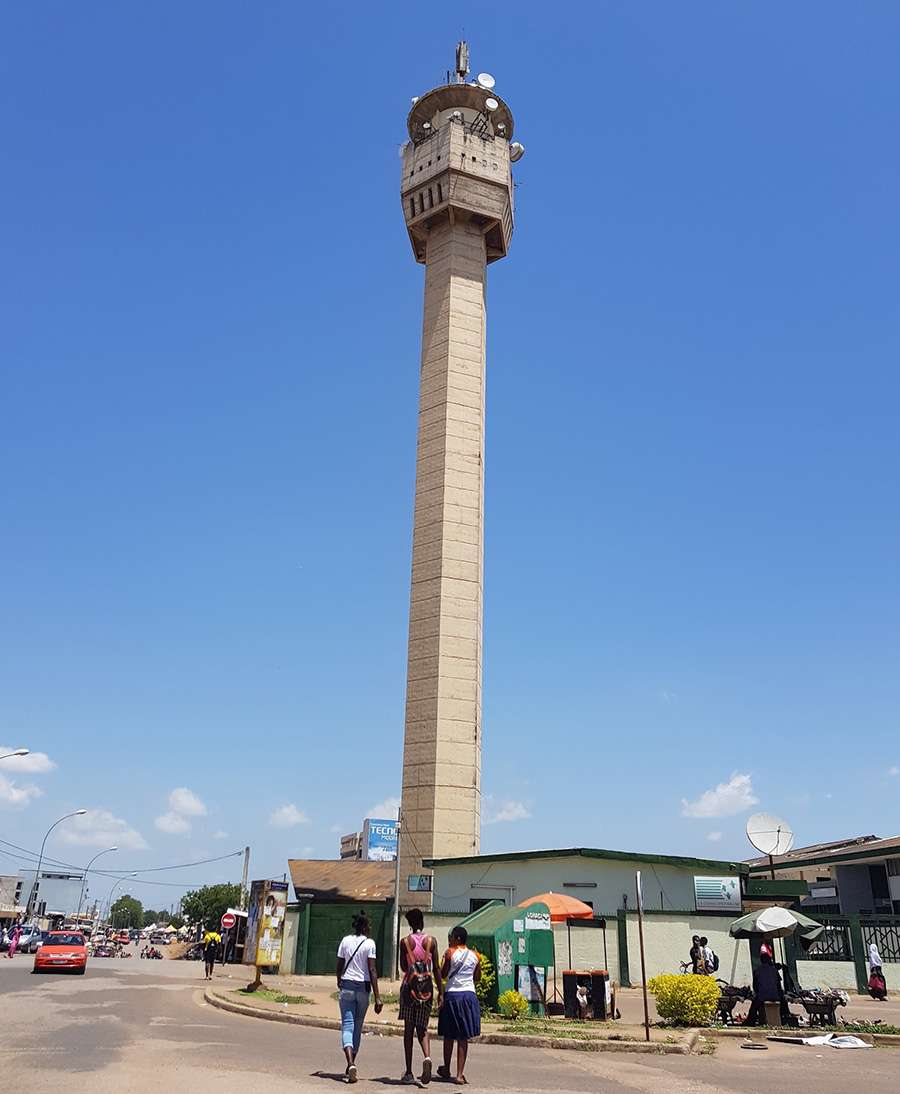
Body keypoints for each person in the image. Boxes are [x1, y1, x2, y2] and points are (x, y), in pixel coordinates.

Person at [336, 912, 382, 1083]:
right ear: (364, 927)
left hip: (347, 985)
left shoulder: (345, 941)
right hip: (363, 988)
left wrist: (339, 981)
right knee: (357, 1026)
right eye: (369, 926)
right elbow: (372, 970)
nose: (370, 928)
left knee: (347, 1025)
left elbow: (339, 965)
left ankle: (350, 1064)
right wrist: (378, 997)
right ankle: (352, 1063)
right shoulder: (370, 943)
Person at [399, 909, 441, 1085]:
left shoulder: (405, 942)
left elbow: (403, 966)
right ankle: (427, 1057)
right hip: (426, 990)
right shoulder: (431, 941)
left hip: (409, 989)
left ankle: (409, 1071)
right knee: (422, 1028)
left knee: (409, 1030)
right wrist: (441, 991)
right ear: (422, 922)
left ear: (410, 924)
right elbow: (437, 968)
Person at [437, 926, 482, 1085]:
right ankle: (459, 1074)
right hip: (469, 995)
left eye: (451, 937)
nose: (449, 940)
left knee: (449, 1034)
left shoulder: (450, 953)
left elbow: (442, 974)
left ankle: (447, 1068)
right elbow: (477, 977)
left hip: (452, 995)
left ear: (457, 939)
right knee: (463, 1037)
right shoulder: (476, 956)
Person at [746, 951, 785, 1026]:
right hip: (775, 997)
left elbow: (755, 987)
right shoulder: (774, 970)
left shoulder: (757, 971)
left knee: (753, 1007)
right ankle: (784, 1018)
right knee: (784, 1004)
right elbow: (778, 986)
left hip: (762, 997)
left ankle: (750, 1022)